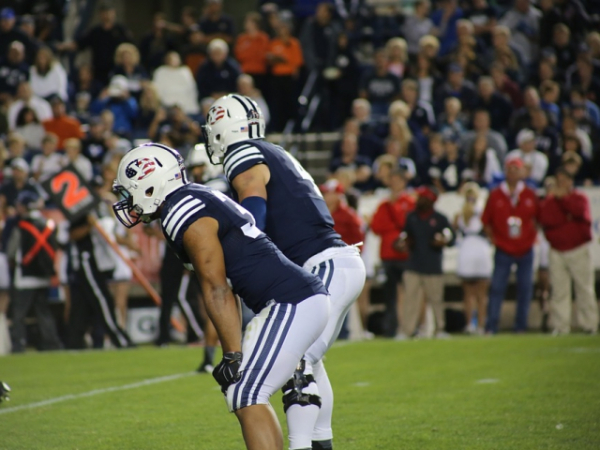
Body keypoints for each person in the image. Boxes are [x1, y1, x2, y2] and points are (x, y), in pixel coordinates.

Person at [112, 143, 330, 450]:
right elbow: (224, 284)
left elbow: (216, 287)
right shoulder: (192, 198)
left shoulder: (182, 209)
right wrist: (234, 352)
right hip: (290, 301)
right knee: (247, 390)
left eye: (129, 191)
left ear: (150, 184)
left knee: (246, 392)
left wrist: (232, 355)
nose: (128, 201)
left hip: (290, 301)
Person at [203, 94, 366, 450]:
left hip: (321, 263)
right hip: (335, 262)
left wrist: (251, 240)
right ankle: (320, 444)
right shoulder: (275, 150)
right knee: (310, 359)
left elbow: (252, 190)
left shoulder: (242, 151)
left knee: (298, 361)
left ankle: (301, 446)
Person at [538, 166, 598, 335]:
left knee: (584, 289)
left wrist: (564, 201)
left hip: (578, 249)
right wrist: (566, 216)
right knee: (559, 291)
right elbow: (548, 220)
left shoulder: (579, 198)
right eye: (559, 181)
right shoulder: (550, 201)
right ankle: (560, 326)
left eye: (564, 181)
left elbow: (580, 214)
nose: (561, 184)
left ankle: (589, 325)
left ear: (571, 182)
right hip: (557, 250)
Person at [482, 157, 538, 334]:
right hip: (503, 248)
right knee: (497, 288)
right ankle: (491, 326)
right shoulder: (496, 194)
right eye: (510, 169)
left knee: (525, 288)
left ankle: (520, 326)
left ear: (522, 172)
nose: (513, 172)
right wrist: (493, 239)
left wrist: (532, 236)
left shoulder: (530, 194)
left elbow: (539, 219)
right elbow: (486, 221)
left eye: (516, 168)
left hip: (525, 248)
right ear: (505, 172)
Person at [395, 186, 455, 339]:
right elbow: (405, 235)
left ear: (430, 200)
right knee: (410, 300)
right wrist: (403, 243)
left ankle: (439, 329)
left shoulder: (440, 218)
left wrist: (443, 241)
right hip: (413, 264)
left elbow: (451, 237)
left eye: (422, 197)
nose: (418, 200)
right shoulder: (411, 217)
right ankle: (406, 331)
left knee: (436, 299)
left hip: (433, 265)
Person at [7, 190, 62, 352]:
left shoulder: (21, 226)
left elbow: (12, 251)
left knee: (19, 313)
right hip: (43, 275)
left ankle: (19, 345)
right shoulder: (48, 225)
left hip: (24, 276)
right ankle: (51, 343)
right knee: (43, 312)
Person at [370, 169, 415, 338]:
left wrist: (393, 209)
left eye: (397, 180)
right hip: (388, 254)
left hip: (405, 255)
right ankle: (391, 328)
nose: (394, 184)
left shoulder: (409, 202)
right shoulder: (383, 205)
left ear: (404, 182)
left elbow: (409, 224)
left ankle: (409, 327)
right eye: (392, 180)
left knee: (410, 294)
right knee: (389, 296)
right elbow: (376, 227)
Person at [454, 182, 491, 334]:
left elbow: (455, 231)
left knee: (468, 294)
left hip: (467, 250)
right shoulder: (483, 212)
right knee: (481, 294)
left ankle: (470, 324)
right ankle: (481, 325)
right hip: (480, 250)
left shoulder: (460, 214)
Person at [152, 51, 199, 116]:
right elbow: (157, 90)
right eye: (170, 58)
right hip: (168, 105)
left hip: (186, 105)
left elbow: (191, 89)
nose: (173, 61)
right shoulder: (160, 72)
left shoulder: (185, 71)